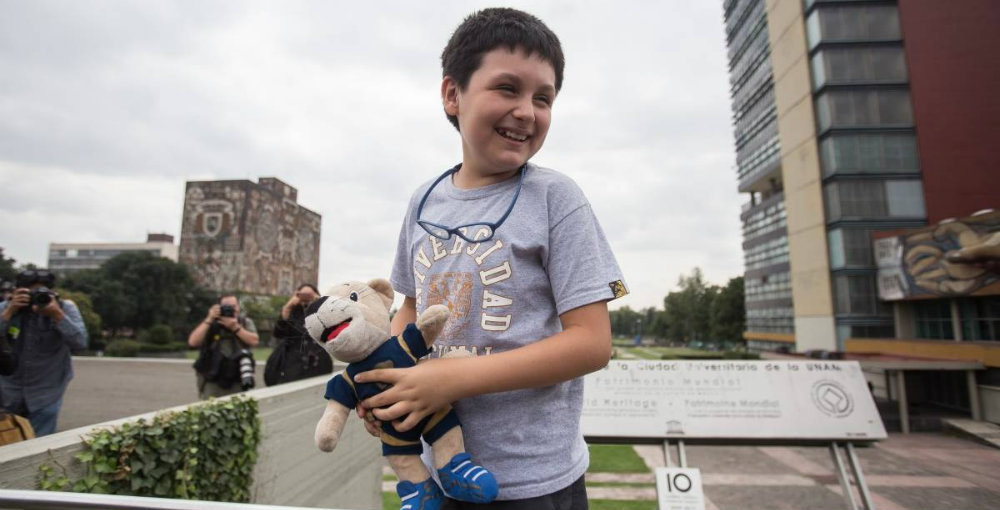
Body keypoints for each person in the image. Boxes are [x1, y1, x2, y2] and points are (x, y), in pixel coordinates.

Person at [356, 8, 627, 509]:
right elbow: (410, 311)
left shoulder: (557, 198)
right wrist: (384, 387)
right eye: (507, 89)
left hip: (536, 484)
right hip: (439, 471)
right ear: (452, 94)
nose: (527, 110)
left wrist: (450, 379)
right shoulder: (422, 201)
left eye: (543, 98)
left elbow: (592, 344)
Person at [0, 269, 88, 436]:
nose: (35, 297)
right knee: (6, 448)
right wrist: (9, 313)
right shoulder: (5, 308)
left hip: (46, 392)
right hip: (7, 392)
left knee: (39, 449)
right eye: (29, 292)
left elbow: (80, 342)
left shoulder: (64, 308)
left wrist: (57, 315)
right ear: (16, 291)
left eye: (41, 292)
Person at [188, 293, 259, 399]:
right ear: (218, 308)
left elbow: (254, 341)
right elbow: (193, 342)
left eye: (233, 306)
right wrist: (209, 319)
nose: (230, 309)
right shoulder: (211, 322)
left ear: (238, 307)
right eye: (226, 307)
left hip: (237, 377)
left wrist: (235, 327)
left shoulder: (244, 322)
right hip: (213, 377)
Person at [264, 283, 332, 386]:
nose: (306, 297)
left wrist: (319, 302)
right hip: (294, 364)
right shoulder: (292, 313)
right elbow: (278, 333)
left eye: (309, 295)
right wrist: (287, 308)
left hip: (319, 362)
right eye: (302, 294)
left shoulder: (321, 312)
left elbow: (330, 330)